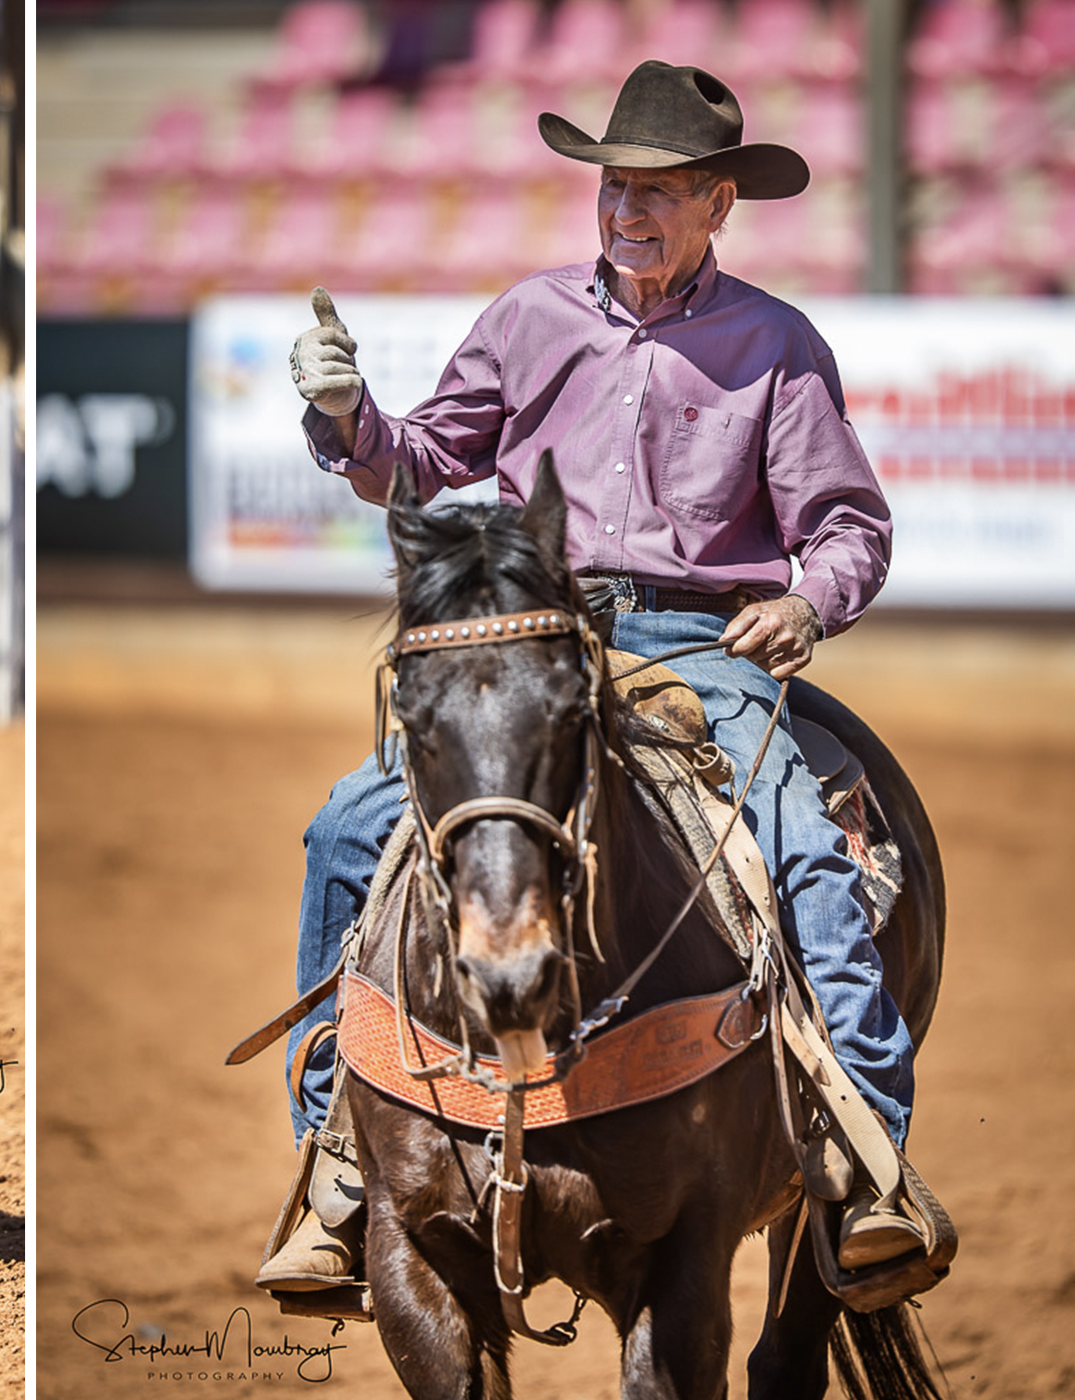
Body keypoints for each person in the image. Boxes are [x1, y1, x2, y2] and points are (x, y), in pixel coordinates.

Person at [257, 61, 927, 1293]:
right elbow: (420, 462)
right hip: (525, 639)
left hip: (697, 647)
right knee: (346, 826)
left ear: (719, 202)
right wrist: (349, 420)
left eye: (661, 190)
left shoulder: (777, 344)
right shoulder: (528, 317)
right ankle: (337, 1159)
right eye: (617, 184)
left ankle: (862, 1155)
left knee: (799, 839)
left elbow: (848, 527)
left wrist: (801, 600)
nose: (629, 210)